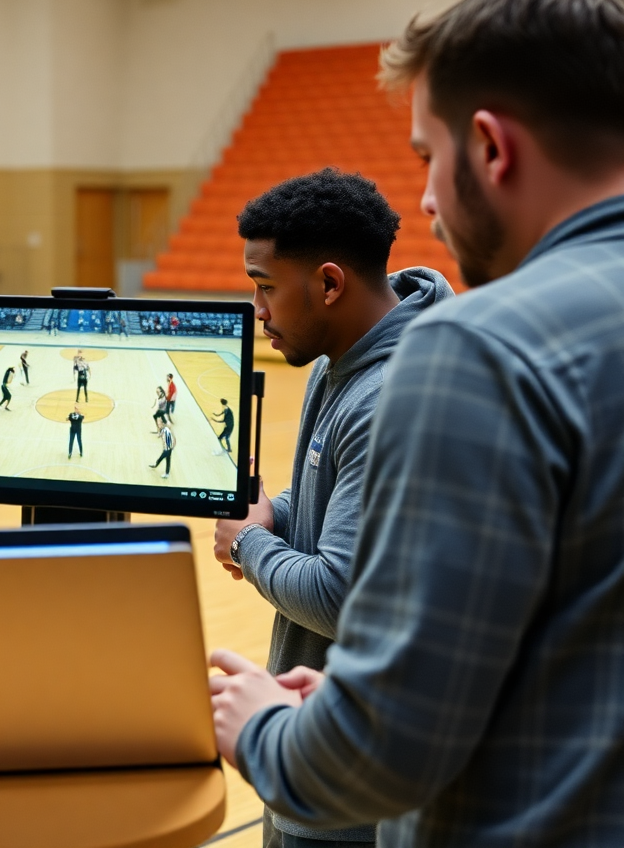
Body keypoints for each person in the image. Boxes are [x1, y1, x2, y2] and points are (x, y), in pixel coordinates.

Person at [209, 0, 624, 846]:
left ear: (490, 147)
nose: (428, 201)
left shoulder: (480, 350)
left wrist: (265, 728)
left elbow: (382, 755)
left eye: (428, 158)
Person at [211, 168, 452, 848]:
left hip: (347, 773)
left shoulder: (385, 398)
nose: (256, 309)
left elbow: (340, 593)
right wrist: (274, 515)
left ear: (327, 283)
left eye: (264, 286)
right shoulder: (335, 359)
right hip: (318, 742)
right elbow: (335, 503)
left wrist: (251, 546)